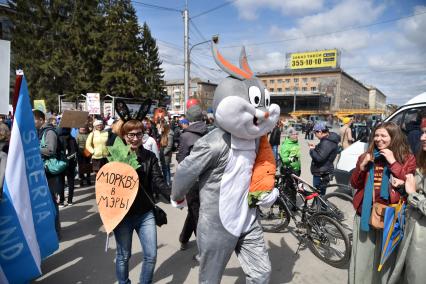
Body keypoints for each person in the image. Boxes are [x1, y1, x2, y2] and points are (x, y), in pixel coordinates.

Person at [349, 121, 416, 284]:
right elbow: (355, 184)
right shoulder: (367, 156)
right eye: (376, 135)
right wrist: (362, 166)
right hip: (365, 215)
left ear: (394, 137)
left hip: (391, 218)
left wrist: (393, 162)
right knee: (364, 259)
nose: (378, 139)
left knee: (385, 260)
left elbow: (407, 186)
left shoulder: (407, 158)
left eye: (383, 135)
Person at [113, 119, 170, 284]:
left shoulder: (149, 157)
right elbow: (105, 185)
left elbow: (158, 181)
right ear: (124, 136)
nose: (135, 138)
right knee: (123, 256)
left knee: (151, 256)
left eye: (139, 134)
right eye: (131, 134)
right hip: (122, 215)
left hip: (145, 213)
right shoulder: (115, 156)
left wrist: (174, 194)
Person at [388, 118, 426, 284]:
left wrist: (413, 194)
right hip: (412, 228)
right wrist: (405, 186)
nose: (422, 137)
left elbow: (416, 194)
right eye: (423, 132)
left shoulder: (409, 157)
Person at [176, 103, 208, 252]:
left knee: (196, 213)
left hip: (193, 181)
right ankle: (184, 238)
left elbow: (181, 161)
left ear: (189, 118)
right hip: (208, 179)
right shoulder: (209, 133)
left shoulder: (185, 136)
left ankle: (202, 249)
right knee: (195, 211)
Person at [33, 110, 62, 238]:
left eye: (33, 119)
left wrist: (34, 148)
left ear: (40, 119)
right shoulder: (38, 131)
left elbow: (50, 150)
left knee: (51, 200)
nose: (31, 122)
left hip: (49, 172)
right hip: (42, 170)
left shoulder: (49, 132)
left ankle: (56, 231)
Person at [308, 122, 340, 195]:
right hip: (324, 170)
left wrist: (312, 150)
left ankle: (321, 206)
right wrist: (316, 147)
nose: (315, 135)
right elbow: (324, 152)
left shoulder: (327, 142)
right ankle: (321, 205)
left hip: (321, 172)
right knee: (321, 194)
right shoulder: (328, 140)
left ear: (320, 132)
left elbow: (319, 158)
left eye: (315, 133)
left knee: (319, 195)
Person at [279, 127, 301, 206]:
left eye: (296, 134)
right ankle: (286, 207)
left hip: (296, 169)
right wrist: (291, 159)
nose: (296, 136)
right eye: (294, 134)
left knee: (294, 188)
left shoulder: (295, 142)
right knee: (288, 189)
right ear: (289, 135)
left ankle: (293, 205)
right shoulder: (286, 145)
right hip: (289, 170)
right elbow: (284, 160)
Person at [58, 127, 78, 206]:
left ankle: (61, 201)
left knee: (61, 182)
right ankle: (70, 200)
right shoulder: (72, 139)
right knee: (71, 182)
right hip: (71, 163)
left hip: (61, 163)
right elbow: (76, 150)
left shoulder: (59, 138)